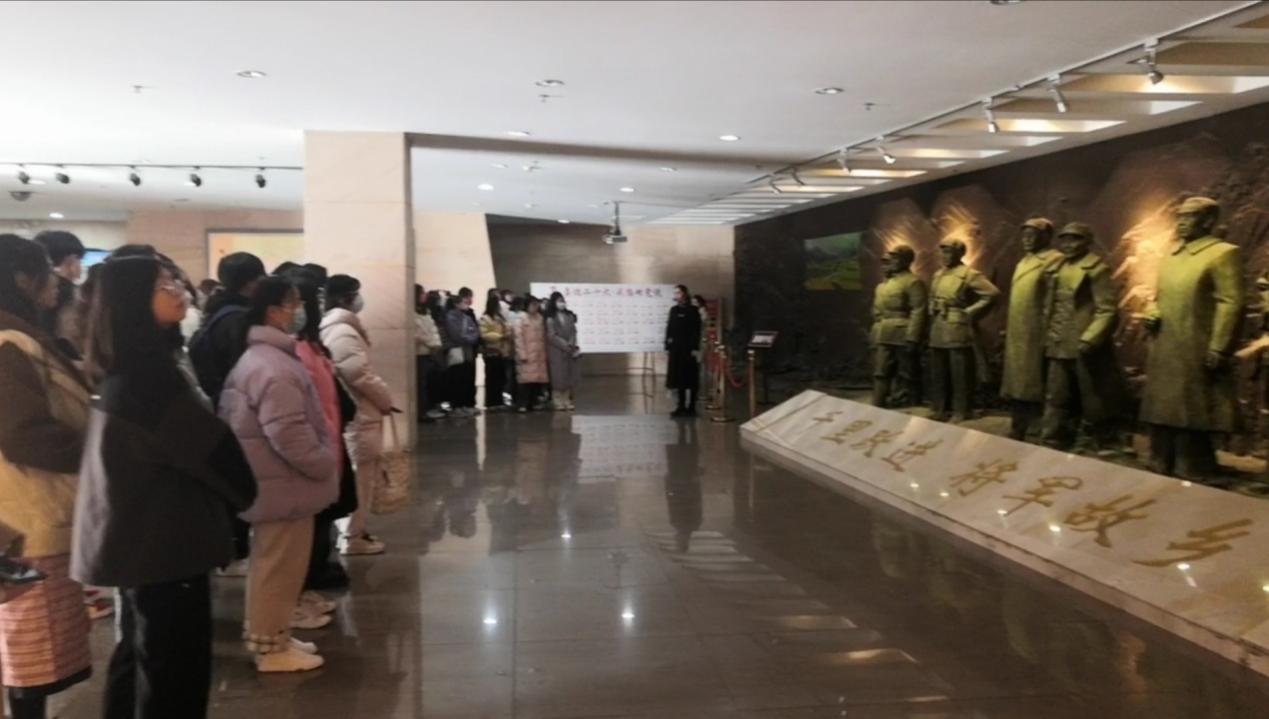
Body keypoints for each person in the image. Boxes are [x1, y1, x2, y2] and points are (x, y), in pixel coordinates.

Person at [74, 254, 257, 717]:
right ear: (133, 301)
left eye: (174, 280)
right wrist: (243, 492)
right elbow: (211, 451)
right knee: (172, 674)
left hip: (141, 538)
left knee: (139, 657)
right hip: (164, 543)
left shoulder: (128, 368)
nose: (178, 289)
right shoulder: (150, 379)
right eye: (163, 285)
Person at [220, 277, 338, 673]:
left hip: (277, 483)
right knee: (277, 569)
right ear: (273, 312)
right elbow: (288, 433)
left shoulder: (266, 358)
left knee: (279, 566)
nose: (299, 310)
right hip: (282, 483)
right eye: (294, 304)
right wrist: (324, 462)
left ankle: (276, 636)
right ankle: (270, 647)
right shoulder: (272, 366)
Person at [0, 235, 93, 719]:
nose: (56, 282)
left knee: (28, 654)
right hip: (27, 516)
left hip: (25, 511)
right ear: (21, 279)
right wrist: (96, 449)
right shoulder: (10, 343)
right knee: (31, 656)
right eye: (45, 271)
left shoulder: (22, 338)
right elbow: (23, 435)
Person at [189, 252, 266, 576]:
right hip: (237, 411)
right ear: (252, 282)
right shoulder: (238, 320)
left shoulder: (218, 312)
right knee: (239, 482)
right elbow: (245, 371)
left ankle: (234, 548)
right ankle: (236, 551)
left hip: (222, 406)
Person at [321, 274, 395, 556]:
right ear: (345, 297)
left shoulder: (337, 327)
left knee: (358, 475)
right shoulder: (342, 330)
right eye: (356, 293)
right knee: (361, 478)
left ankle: (352, 532)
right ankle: (353, 536)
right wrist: (384, 397)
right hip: (359, 414)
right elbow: (357, 373)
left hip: (356, 413)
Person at [291, 273, 356, 592]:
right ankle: (305, 583)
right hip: (313, 446)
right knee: (309, 521)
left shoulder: (312, 344)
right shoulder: (295, 350)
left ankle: (317, 570)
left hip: (328, 441)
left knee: (323, 515)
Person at [33, 230, 86, 360]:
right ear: (71, 260)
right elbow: (70, 333)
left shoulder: (32, 289)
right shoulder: (69, 292)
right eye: (79, 260)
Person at [666, 285, 704, 418]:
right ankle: (681, 405)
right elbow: (669, 328)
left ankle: (691, 406)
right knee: (678, 378)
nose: (676, 295)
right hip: (676, 348)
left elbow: (696, 330)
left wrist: (695, 347)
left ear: (684, 294)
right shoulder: (674, 310)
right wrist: (668, 345)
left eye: (678, 292)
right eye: (675, 292)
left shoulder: (693, 310)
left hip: (689, 349)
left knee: (690, 377)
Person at [445, 293, 481, 416]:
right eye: (463, 302)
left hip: (467, 352)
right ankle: (457, 406)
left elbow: (475, 332)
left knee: (467, 379)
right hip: (457, 352)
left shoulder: (467, 317)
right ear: (456, 304)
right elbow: (456, 335)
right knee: (457, 379)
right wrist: (468, 337)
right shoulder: (450, 317)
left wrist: (469, 338)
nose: (466, 304)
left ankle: (466, 405)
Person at [545, 292, 581, 411]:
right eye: (559, 301)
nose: (562, 303)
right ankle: (557, 401)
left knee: (568, 375)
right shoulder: (550, 318)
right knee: (558, 376)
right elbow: (551, 336)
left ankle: (567, 400)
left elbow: (573, 332)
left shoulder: (569, 316)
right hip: (556, 350)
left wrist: (571, 344)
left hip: (569, 350)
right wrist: (564, 345)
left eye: (563, 301)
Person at [513, 295, 549, 412]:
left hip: (538, 354)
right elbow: (518, 338)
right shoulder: (521, 318)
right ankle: (522, 404)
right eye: (533, 305)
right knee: (525, 380)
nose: (535, 307)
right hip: (527, 353)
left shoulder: (539, 318)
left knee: (536, 380)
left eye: (536, 305)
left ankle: (533, 402)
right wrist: (522, 354)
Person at [415, 284, 444, 422]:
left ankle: (429, 407)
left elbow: (433, 329)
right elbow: (417, 333)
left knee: (430, 381)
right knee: (420, 384)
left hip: (430, 351)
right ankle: (421, 411)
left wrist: (436, 344)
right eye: (422, 293)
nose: (424, 295)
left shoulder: (426, 311)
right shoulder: (411, 313)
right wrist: (431, 343)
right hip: (419, 352)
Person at [479, 293, 512, 411]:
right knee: (491, 378)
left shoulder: (500, 318)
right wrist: (500, 336)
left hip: (501, 351)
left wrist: (507, 333)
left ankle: (499, 401)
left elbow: (506, 328)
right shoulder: (485, 318)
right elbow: (484, 334)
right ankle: (491, 403)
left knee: (500, 378)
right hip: (490, 351)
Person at [422, 291, 449, 420]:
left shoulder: (437, 314)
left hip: (438, 349)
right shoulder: (429, 315)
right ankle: (431, 406)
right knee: (431, 380)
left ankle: (436, 405)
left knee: (438, 379)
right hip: (433, 350)